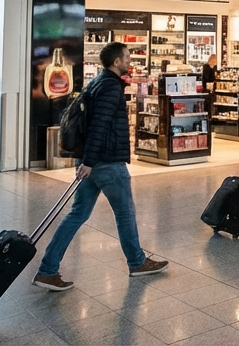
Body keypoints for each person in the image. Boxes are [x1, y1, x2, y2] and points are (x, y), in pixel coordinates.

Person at [32, 42, 168, 291]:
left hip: (92, 161)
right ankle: (137, 262)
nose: (130, 62)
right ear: (116, 61)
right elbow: (99, 126)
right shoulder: (110, 87)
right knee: (125, 213)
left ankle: (47, 270)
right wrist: (90, 162)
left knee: (77, 214)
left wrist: (86, 160)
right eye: (127, 58)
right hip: (106, 162)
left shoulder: (98, 82)